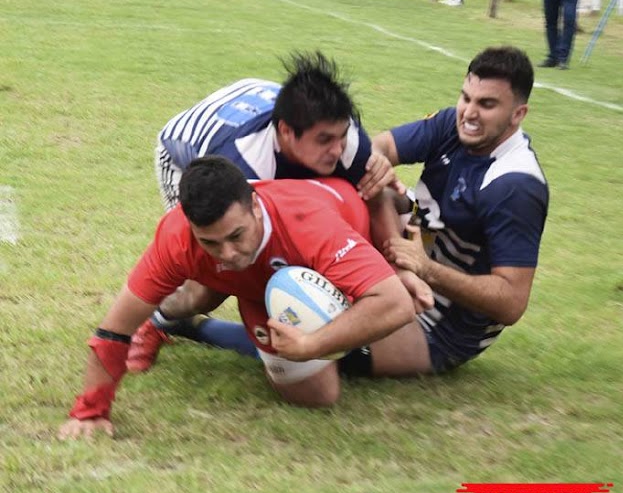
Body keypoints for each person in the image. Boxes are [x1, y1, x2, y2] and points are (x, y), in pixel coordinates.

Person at [58, 157, 431, 440]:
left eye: (236, 235)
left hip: (331, 263)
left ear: (255, 206)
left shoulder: (308, 224)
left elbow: (394, 303)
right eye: (210, 242)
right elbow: (114, 329)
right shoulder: (176, 236)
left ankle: (207, 323)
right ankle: (181, 316)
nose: (227, 253)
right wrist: (90, 410)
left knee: (410, 360)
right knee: (319, 393)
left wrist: (313, 344)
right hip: (262, 287)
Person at [126, 52, 422, 374]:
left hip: (257, 109)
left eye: (340, 137)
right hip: (184, 153)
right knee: (212, 280)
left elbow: (374, 195)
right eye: (325, 140)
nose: (337, 150)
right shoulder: (243, 163)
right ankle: (156, 321)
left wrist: (396, 265)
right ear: (286, 131)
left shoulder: (343, 139)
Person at [375, 46, 549, 374]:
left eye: (486, 104)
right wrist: (376, 169)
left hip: (441, 329)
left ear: (518, 114)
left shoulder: (515, 185)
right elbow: (377, 148)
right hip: (411, 261)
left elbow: (511, 302)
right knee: (368, 181)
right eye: (466, 97)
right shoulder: (452, 126)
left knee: (316, 349)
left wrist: (426, 269)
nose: (469, 113)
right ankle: (387, 280)